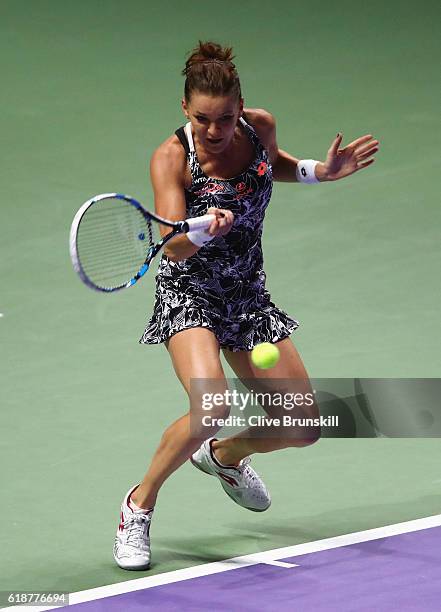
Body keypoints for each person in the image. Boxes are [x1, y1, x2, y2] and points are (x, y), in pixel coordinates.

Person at [113, 41, 379, 570]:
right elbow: (172, 246)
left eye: (227, 117)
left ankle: (225, 457)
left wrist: (317, 172)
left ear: (242, 108)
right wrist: (205, 230)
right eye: (205, 119)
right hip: (190, 291)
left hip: (247, 293)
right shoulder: (172, 158)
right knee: (211, 407)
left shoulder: (258, 127)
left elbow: (269, 166)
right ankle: (138, 505)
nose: (217, 130)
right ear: (185, 110)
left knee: (302, 427)